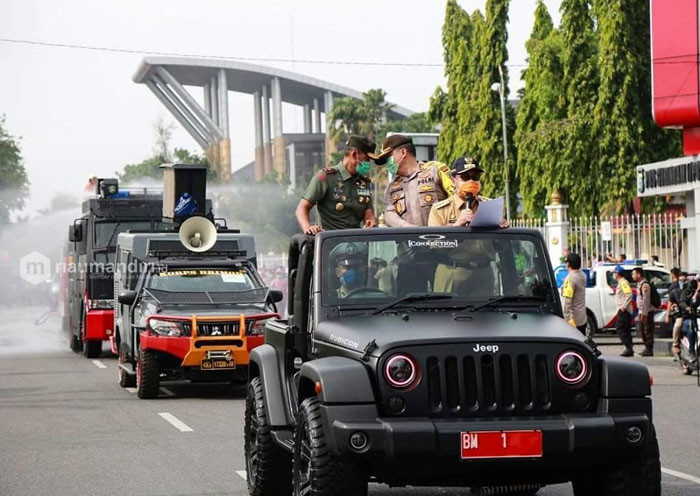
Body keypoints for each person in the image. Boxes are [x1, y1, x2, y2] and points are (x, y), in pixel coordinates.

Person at [296, 135, 378, 234]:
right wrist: (308, 228)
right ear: (354, 154)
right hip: (330, 241)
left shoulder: (364, 183)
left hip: (357, 242)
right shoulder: (325, 177)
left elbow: (369, 213)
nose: (368, 164)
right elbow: (302, 208)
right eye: (366, 159)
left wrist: (371, 222)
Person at [372, 134, 454, 227]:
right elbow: (388, 213)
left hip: (439, 239)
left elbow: (457, 197)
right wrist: (405, 226)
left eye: (388, 158)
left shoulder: (434, 171)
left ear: (403, 152)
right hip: (408, 240)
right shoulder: (392, 188)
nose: (387, 163)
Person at [428, 156, 508, 228]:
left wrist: (502, 228)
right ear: (453, 181)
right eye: (465, 177)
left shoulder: (491, 207)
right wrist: (457, 224)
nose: (471, 181)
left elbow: (501, 242)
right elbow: (433, 242)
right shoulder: (439, 210)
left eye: (475, 177)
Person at [562, 253, 590, 339]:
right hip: (582, 317)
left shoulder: (570, 278)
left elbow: (567, 300)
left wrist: (565, 319)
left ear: (568, 264)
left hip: (572, 320)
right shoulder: (582, 275)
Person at [632, 267, 655, 356]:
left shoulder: (645, 285)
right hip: (642, 311)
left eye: (634, 274)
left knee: (647, 330)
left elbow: (646, 300)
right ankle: (646, 348)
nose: (632, 276)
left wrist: (644, 313)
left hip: (647, 311)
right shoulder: (639, 284)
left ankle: (649, 349)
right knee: (643, 330)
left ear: (638, 274)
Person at [613, 265, 635, 357]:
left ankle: (628, 348)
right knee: (625, 329)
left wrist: (624, 306)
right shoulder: (621, 283)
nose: (613, 275)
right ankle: (629, 349)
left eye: (614, 273)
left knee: (621, 328)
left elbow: (629, 294)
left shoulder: (623, 283)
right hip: (622, 309)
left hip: (624, 310)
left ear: (617, 273)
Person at [667, 268, 686, 360]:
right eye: (681, 280)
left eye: (684, 280)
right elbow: (670, 302)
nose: (683, 282)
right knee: (678, 325)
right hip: (681, 313)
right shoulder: (675, 289)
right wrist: (668, 314)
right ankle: (675, 346)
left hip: (692, 314)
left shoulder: (691, 289)